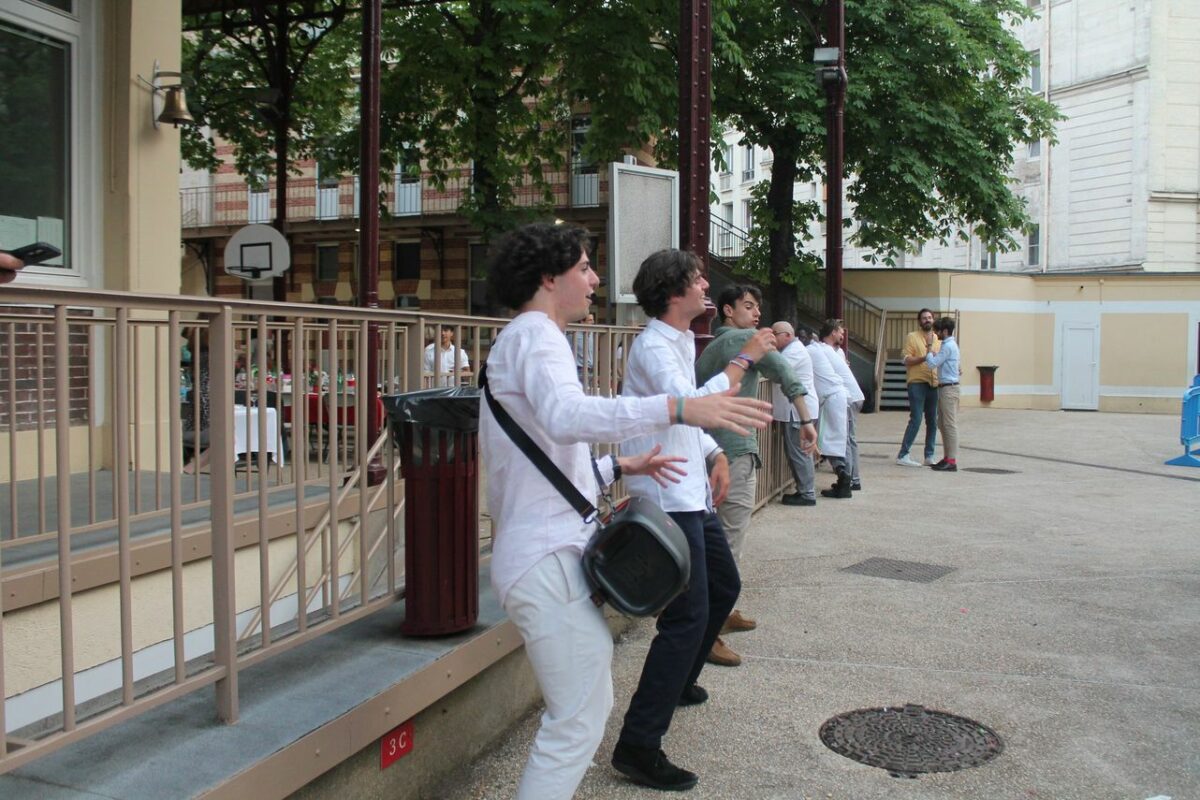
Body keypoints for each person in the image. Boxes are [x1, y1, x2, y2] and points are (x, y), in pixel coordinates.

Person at [479, 223, 772, 800]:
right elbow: (567, 416)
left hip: (544, 554)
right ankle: (640, 746)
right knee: (577, 720)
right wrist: (679, 407)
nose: (594, 280)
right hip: (542, 558)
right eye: (584, 267)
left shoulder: (531, 336)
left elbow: (549, 460)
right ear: (549, 277)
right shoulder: (536, 334)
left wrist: (619, 465)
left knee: (582, 713)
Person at [613, 250, 772, 791]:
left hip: (689, 491)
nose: (706, 285)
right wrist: (745, 358)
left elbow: (685, 418)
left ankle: (679, 680)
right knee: (686, 617)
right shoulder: (654, 345)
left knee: (724, 587)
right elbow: (689, 403)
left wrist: (714, 453)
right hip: (665, 495)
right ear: (672, 291)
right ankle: (638, 744)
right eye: (696, 278)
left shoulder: (680, 340)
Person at [694, 284, 816, 667]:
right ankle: (709, 632)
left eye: (758, 306)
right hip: (733, 452)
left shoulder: (712, 346)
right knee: (728, 543)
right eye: (748, 306)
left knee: (718, 538)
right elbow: (784, 371)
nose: (757, 313)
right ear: (727, 310)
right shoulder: (743, 340)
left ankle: (723, 612)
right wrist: (806, 419)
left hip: (711, 450)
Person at [770, 321, 820, 506]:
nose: (772, 338)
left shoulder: (794, 352)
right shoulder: (793, 350)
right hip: (798, 409)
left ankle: (807, 493)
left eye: (774, 334)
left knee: (800, 452)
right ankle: (805, 490)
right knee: (800, 451)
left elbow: (776, 371)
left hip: (798, 411)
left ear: (787, 335)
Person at [806, 320, 853, 499]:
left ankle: (844, 477)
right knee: (836, 440)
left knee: (829, 441)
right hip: (838, 396)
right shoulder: (825, 350)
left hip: (831, 399)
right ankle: (844, 478)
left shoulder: (812, 350)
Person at [820, 320, 866, 493]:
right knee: (848, 438)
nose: (843, 335)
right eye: (840, 331)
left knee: (846, 439)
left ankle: (850, 478)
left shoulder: (829, 352)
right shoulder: (832, 351)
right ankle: (852, 478)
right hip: (850, 396)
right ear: (832, 332)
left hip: (848, 398)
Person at [896, 308, 940, 467]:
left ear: (933, 319)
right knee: (916, 418)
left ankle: (929, 455)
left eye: (929, 317)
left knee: (932, 421)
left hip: (934, 383)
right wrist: (923, 358)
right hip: (917, 382)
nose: (927, 320)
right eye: (924, 318)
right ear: (919, 321)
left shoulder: (938, 338)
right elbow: (905, 359)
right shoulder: (912, 337)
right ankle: (903, 454)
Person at [925, 316, 961, 471]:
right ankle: (947, 457)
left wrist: (929, 347)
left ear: (945, 331)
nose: (936, 334)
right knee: (943, 424)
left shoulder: (948, 346)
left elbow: (931, 364)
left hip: (949, 389)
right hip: (945, 388)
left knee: (949, 425)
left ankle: (951, 460)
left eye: (938, 331)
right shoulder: (948, 345)